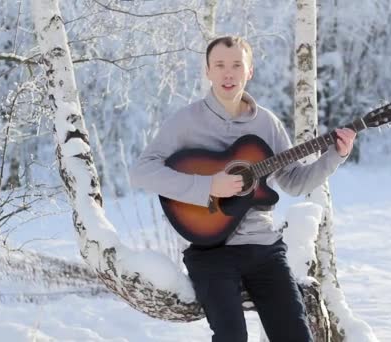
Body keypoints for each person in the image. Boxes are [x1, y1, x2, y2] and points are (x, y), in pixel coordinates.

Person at [129, 35, 356, 342]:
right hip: (211, 251)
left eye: (237, 65)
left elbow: (293, 181)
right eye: (220, 65)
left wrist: (335, 156)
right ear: (208, 71)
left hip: (264, 250)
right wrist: (208, 185)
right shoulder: (186, 121)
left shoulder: (267, 124)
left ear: (249, 71)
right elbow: (142, 172)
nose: (228, 73)